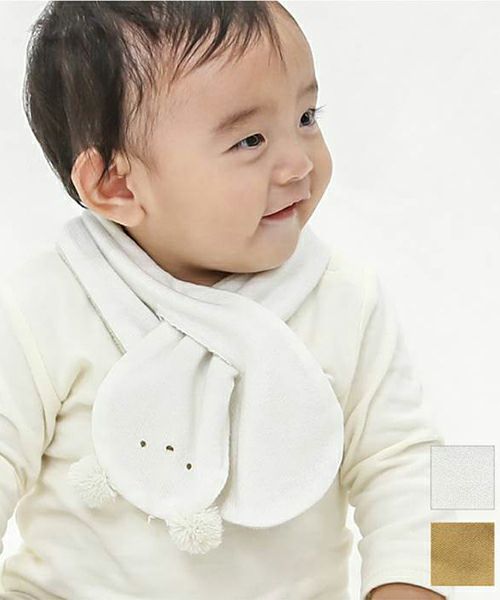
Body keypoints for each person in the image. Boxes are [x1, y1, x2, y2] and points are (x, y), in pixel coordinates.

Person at [0, 2, 456, 599]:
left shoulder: (348, 298)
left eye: (307, 116)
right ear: (116, 184)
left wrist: (447, 582)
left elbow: (435, 465)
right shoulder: (41, 305)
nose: (299, 163)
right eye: (250, 140)